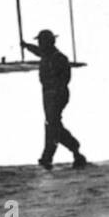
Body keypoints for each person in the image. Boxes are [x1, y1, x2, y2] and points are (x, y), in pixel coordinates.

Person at [20, 30, 87, 169]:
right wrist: (27, 46)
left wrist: (56, 91)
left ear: (48, 42)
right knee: (53, 124)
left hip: (56, 94)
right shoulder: (47, 54)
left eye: (41, 41)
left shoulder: (59, 57)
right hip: (49, 94)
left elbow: (65, 78)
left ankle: (49, 156)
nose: (39, 44)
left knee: (52, 125)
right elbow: (38, 51)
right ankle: (74, 151)